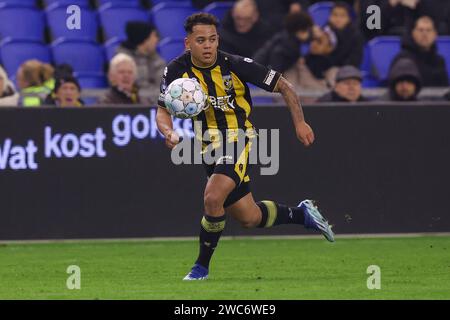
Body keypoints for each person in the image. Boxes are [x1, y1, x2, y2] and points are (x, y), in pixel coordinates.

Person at [156, 13, 334, 281]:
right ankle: (302, 214)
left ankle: (200, 268)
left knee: (213, 197)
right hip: (208, 148)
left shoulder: (234, 64)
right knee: (249, 217)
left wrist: (300, 123)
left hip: (239, 139)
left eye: (213, 40)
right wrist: (168, 132)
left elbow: (284, 86)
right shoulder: (175, 70)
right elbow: (162, 112)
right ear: (188, 43)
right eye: (201, 40)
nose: (208, 45)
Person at [116, 21, 166, 105]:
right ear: (145, 40)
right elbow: (126, 89)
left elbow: (163, 84)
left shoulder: (155, 58)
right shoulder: (122, 59)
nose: (156, 40)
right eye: (154, 36)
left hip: (154, 104)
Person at [391, 16, 448, 87]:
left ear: (435, 34)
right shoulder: (402, 59)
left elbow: (443, 90)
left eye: (428, 30)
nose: (424, 34)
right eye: (421, 30)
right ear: (413, 33)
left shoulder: (439, 61)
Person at [326, 1, 364, 68]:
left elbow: (354, 62)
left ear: (349, 19)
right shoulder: (324, 33)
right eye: (334, 15)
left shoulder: (355, 36)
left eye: (342, 16)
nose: (338, 19)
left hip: (347, 73)